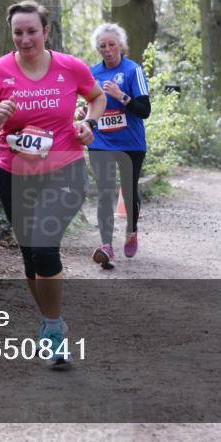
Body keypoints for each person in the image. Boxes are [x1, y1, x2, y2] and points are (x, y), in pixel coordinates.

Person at [0, 0, 106, 368]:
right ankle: (51, 321)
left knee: (44, 249)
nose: (25, 38)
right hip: (14, 175)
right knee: (31, 255)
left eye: (32, 31)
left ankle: (54, 330)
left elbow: (97, 98)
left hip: (65, 170)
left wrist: (88, 124)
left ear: (46, 31)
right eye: (18, 32)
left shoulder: (70, 67)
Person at [80, 24, 151, 270]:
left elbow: (145, 110)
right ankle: (107, 247)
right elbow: (90, 105)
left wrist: (122, 96)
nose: (107, 49)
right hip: (101, 141)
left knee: (128, 191)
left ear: (120, 45)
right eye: (102, 46)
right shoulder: (92, 73)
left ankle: (131, 231)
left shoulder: (133, 70)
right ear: (97, 49)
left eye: (111, 44)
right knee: (105, 192)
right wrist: (84, 114)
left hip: (131, 143)